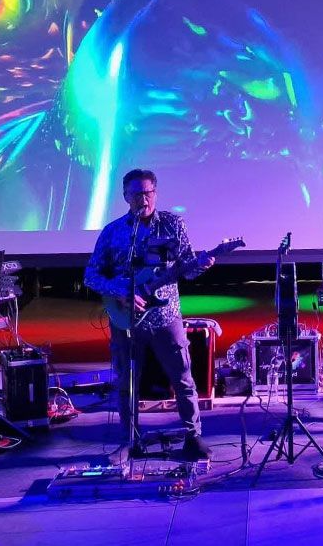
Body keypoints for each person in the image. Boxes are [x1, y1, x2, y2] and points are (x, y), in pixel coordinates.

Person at [84, 169, 214, 459]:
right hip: (126, 320)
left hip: (166, 316)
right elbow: (91, 275)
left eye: (148, 193)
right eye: (136, 194)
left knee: (183, 377)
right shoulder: (113, 232)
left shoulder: (172, 224)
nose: (143, 199)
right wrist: (120, 291)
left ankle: (193, 437)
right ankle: (131, 439)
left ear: (155, 193)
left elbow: (187, 269)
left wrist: (201, 265)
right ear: (125, 196)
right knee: (127, 382)